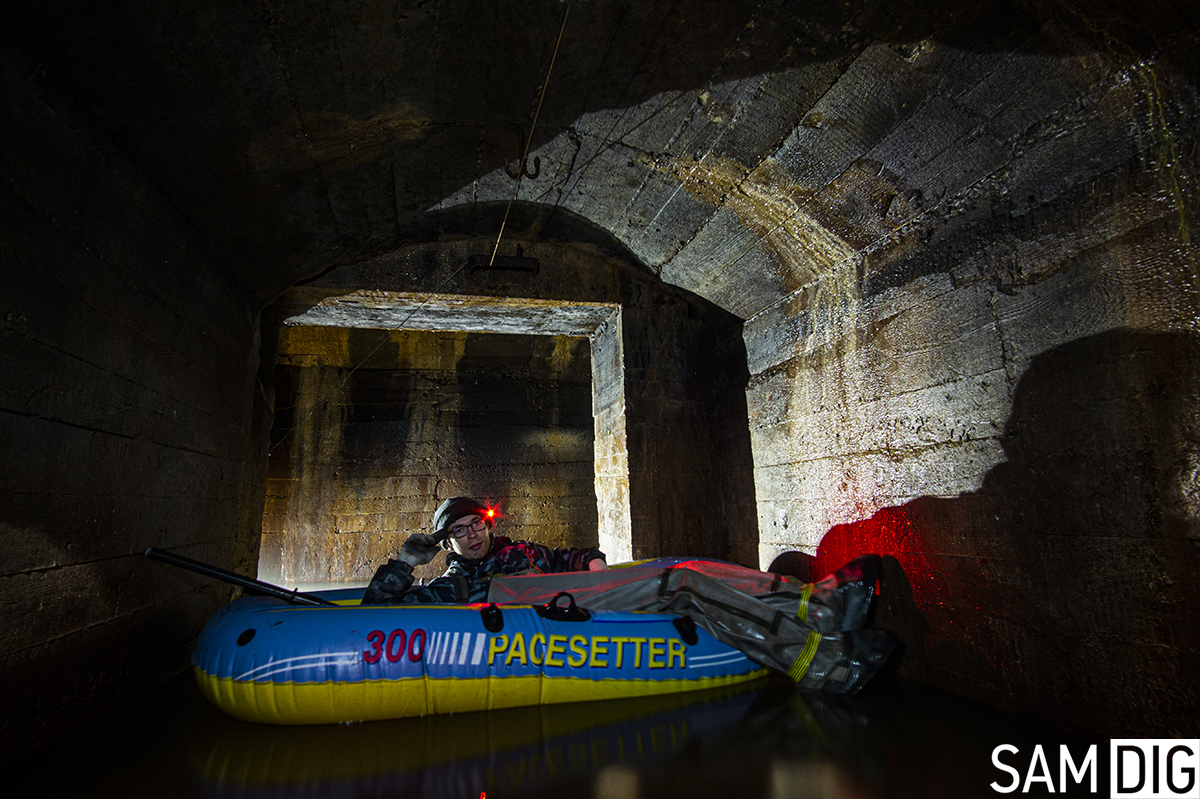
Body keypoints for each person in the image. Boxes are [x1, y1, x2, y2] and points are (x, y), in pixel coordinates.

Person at [362, 496, 609, 605]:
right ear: (447, 544)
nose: (471, 534)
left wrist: (595, 562)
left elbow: (568, 558)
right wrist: (405, 563)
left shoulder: (526, 553)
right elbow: (374, 615)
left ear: (488, 526)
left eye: (476, 523)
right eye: (458, 530)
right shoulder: (450, 588)